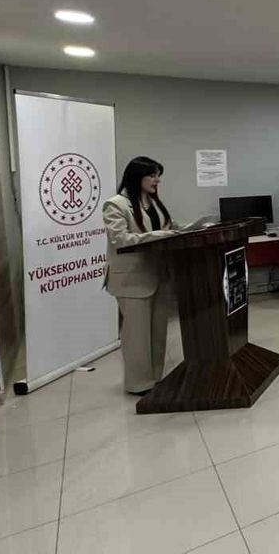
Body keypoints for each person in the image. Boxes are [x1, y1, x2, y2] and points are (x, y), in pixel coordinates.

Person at [103, 156, 179, 395]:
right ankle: (138, 383)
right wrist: (157, 236)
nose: (157, 180)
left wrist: (187, 229)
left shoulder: (153, 202)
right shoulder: (115, 204)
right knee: (137, 335)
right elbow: (120, 239)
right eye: (153, 175)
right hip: (132, 279)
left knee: (157, 331)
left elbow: (167, 227)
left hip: (158, 274)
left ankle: (154, 377)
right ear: (138, 177)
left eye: (158, 175)